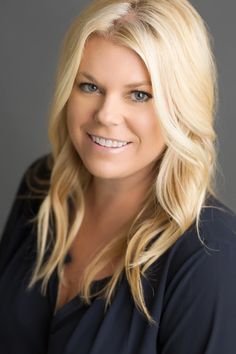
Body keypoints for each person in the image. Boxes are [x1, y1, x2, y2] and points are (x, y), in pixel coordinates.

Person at [0, 0, 236, 353]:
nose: (107, 115)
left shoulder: (210, 256)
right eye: (90, 87)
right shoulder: (42, 186)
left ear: (183, 108)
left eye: (139, 95)